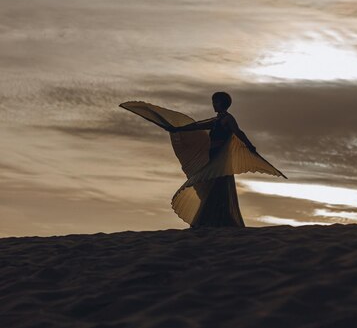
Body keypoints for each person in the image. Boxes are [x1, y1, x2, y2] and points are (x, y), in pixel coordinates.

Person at [119, 92, 286, 228]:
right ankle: (214, 221)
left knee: (217, 187)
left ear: (222, 103)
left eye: (216, 102)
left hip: (221, 159)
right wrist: (176, 129)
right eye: (214, 101)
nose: (214, 104)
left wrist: (250, 146)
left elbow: (238, 132)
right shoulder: (216, 120)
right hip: (213, 157)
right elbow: (197, 126)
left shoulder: (228, 119)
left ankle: (215, 221)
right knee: (214, 189)